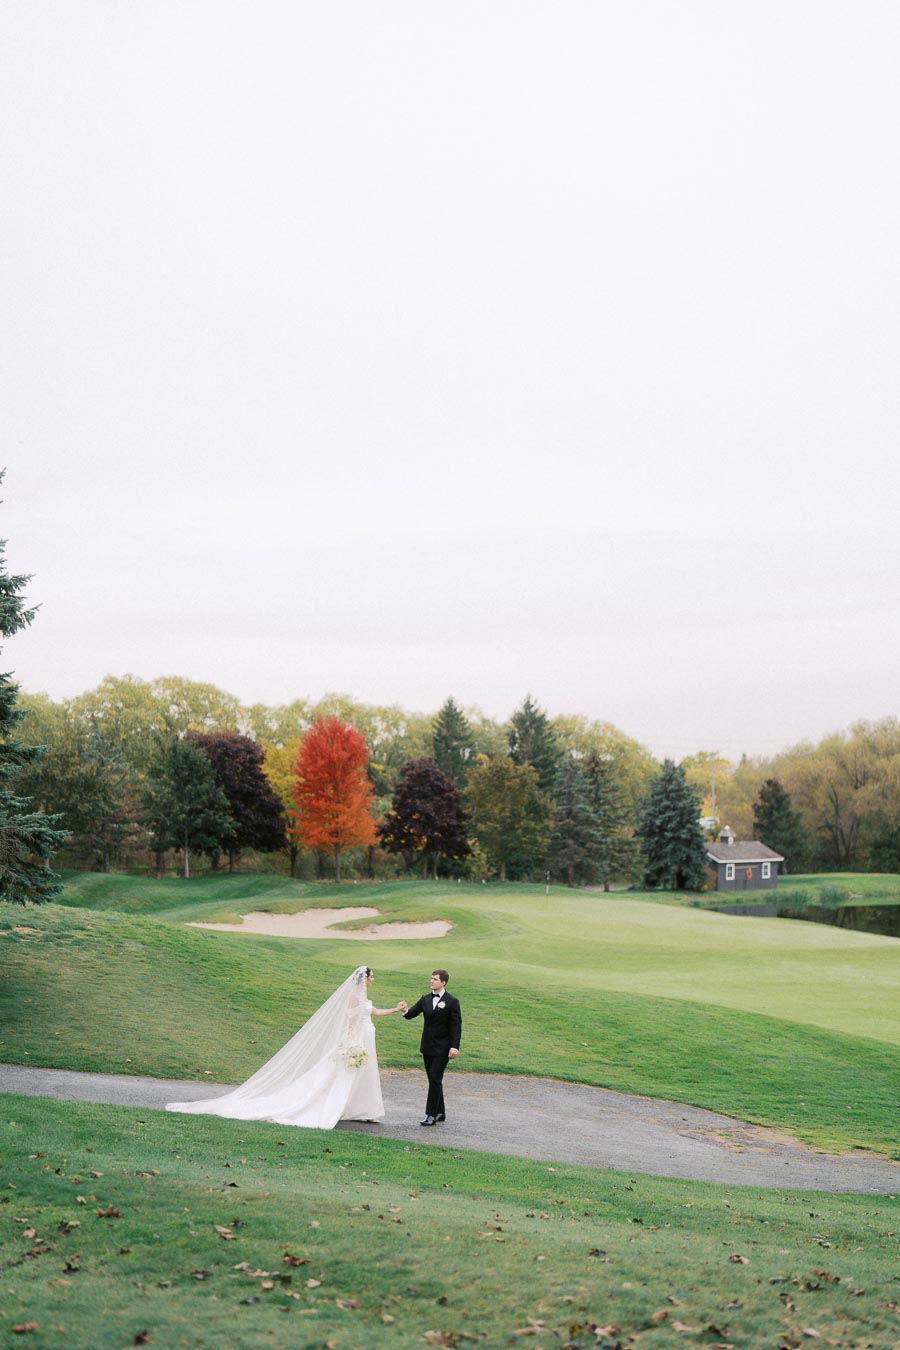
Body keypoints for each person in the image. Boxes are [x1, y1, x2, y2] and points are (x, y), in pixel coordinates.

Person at [166, 966, 406, 1129]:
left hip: (363, 1040)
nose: (373, 980)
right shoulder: (354, 996)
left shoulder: (363, 997)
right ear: (365, 978)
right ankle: (331, 1108)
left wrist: (395, 1010)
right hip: (354, 1042)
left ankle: (361, 1109)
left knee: (359, 1076)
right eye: (372, 977)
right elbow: (350, 1019)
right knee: (339, 1076)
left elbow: (372, 1012)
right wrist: (351, 1043)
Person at [403, 968, 462, 1126]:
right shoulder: (425, 999)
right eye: (431, 978)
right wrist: (404, 1010)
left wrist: (454, 1047)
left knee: (435, 1078)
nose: (432, 981)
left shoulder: (452, 1001)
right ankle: (441, 1112)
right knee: (433, 1080)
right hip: (428, 1047)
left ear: (443, 982)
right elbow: (411, 1014)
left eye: (435, 979)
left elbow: (456, 1027)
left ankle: (431, 1114)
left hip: (443, 1048)